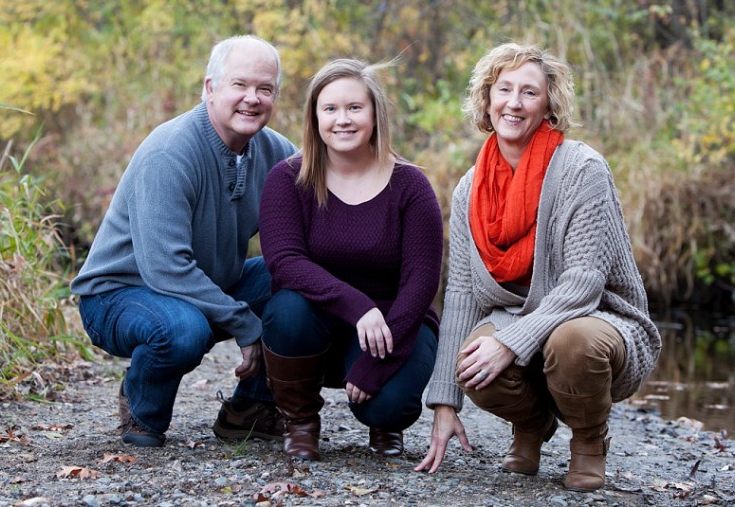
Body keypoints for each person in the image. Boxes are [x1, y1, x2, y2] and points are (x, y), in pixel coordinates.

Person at [415, 42, 661, 491]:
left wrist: (509, 344)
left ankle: (589, 440)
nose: (514, 102)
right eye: (503, 89)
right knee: (472, 361)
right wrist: (444, 402)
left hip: (599, 319)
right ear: (486, 100)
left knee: (573, 341)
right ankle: (532, 423)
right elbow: (463, 294)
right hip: (518, 319)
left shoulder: (581, 169)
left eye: (528, 92)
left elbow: (584, 284)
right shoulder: (470, 189)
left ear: (548, 103)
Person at [70, 35, 297, 447]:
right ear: (210, 88)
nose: (252, 98)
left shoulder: (276, 152)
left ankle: (252, 410)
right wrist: (247, 325)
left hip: (206, 283)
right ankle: (143, 413)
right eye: (239, 85)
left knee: (291, 279)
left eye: (265, 89)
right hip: (121, 293)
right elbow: (166, 268)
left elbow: (328, 198)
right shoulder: (170, 152)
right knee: (182, 330)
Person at [258, 59, 443, 460]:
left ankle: (383, 424)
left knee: (386, 405)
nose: (342, 120)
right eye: (331, 109)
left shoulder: (411, 185)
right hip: (318, 316)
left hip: (393, 326)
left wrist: (381, 361)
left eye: (355, 108)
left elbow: (422, 280)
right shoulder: (288, 179)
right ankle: (300, 422)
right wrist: (358, 307)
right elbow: (285, 261)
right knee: (287, 309)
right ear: (315, 118)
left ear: (375, 114)